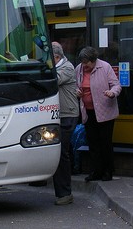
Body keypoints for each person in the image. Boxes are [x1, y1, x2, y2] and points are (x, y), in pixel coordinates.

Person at [75, 46, 121, 182]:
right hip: (88, 111)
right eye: (82, 62)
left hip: (105, 111)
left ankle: (108, 171)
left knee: (105, 142)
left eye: (86, 63)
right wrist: (77, 92)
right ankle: (96, 171)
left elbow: (116, 85)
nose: (84, 65)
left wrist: (112, 93)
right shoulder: (79, 69)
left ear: (94, 60)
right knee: (93, 143)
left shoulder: (105, 67)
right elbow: (76, 86)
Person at [51, 42, 79, 205]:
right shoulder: (59, 66)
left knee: (61, 153)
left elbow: (54, 79)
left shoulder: (67, 68)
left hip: (67, 115)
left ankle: (65, 194)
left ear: (56, 57)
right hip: (58, 115)